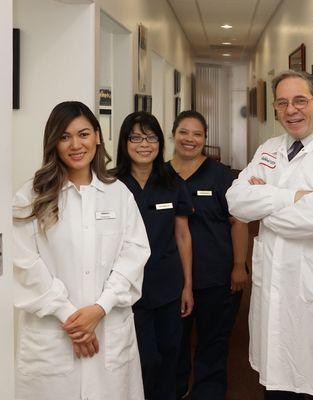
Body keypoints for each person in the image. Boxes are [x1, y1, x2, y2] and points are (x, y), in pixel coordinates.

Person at [226, 70, 313, 400]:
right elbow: (236, 201)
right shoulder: (270, 148)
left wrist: (266, 202)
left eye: (300, 100)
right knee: (278, 386)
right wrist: (293, 196)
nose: (291, 110)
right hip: (276, 297)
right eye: (283, 103)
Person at [13, 101, 150, 400]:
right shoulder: (31, 196)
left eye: (84, 134)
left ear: (98, 137)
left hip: (108, 329)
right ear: (53, 143)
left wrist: (101, 307)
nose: (76, 144)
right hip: (54, 335)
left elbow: (134, 254)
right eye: (64, 137)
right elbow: (23, 263)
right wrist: (71, 319)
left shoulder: (118, 194)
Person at [169, 110, 249, 400]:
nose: (190, 139)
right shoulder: (161, 175)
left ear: (205, 138)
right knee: (174, 343)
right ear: (173, 134)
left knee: (213, 345)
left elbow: (239, 221)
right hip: (173, 280)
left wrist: (239, 266)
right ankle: (177, 390)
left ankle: (209, 394)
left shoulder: (221, 176)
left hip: (217, 276)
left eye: (197, 134)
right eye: (184, 132)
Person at [115, 111, 194, 400]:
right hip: (127, 290)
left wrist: (187, 285)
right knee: (143, 359)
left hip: (167, 286)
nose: (144, 144)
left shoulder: (172, 182)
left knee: (170, 354)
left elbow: (183, 235)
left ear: (160, 142)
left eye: (151, 137)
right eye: (136, 137)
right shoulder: (112, 184)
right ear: (125, 143)